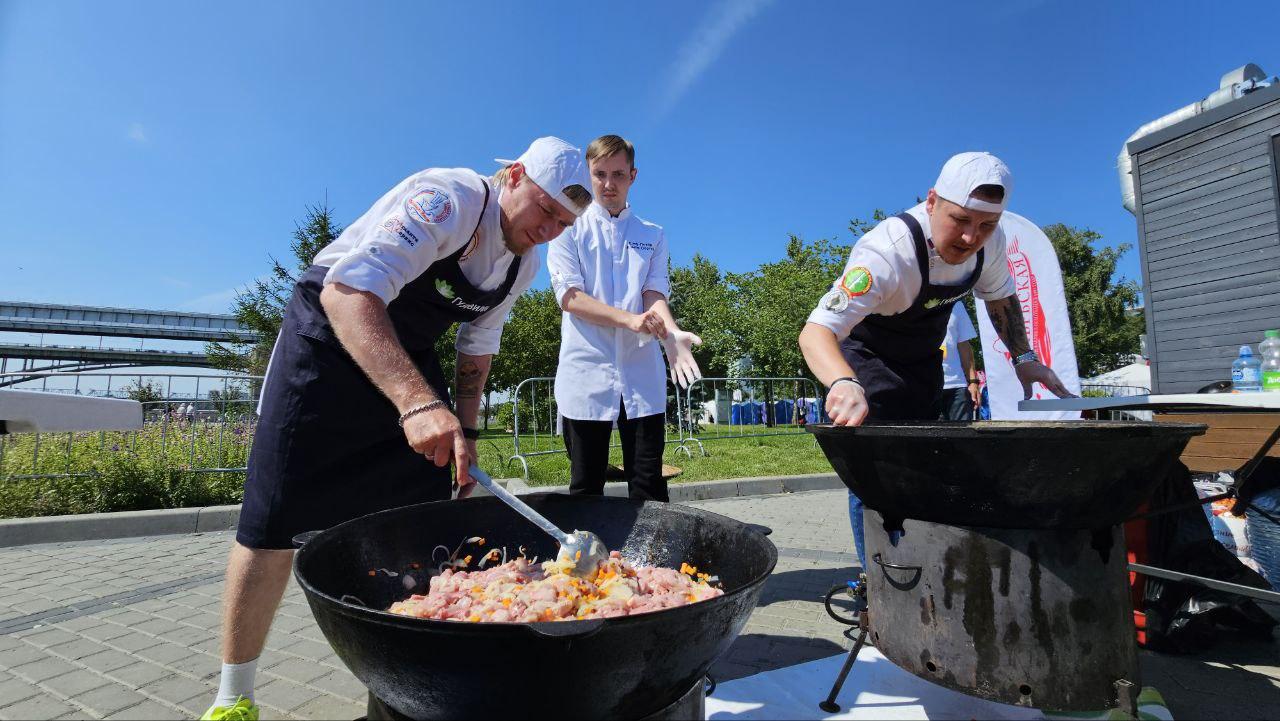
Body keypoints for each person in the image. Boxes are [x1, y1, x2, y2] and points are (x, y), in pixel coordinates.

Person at [201, 137, 592, 721]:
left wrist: (465, 431)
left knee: (423, 517)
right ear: (513, 175)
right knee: (272, 523)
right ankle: (234, 698)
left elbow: (476, 349)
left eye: (563, 221)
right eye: (545, 209)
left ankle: (408, 687)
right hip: (327, 345)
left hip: (407, 355)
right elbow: (348, 292)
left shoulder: (522, 264)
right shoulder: (447, 199)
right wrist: (416, 405)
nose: (549, 228)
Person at [797, 151, 1072, 568]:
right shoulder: (888, 251)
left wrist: (1024, 357)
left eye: (985, 225)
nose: (970, 238)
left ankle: (921, 567)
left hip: (921, 366)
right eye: (960, 220)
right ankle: (876, 583)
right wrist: (842, 382)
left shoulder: (990, 245)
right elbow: (815, 331)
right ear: (931, 201)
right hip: (863, 365)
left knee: (921, 474)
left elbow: (1000, 299)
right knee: (872, 484)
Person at [547, 134, 702, 503]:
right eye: (599, 174)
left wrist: (671, 332)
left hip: (641, 372)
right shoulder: (567, 228)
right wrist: (631, 321)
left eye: (618, 174)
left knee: (648, 483)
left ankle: (652, 561)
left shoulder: (652, 234)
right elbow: (570, 297)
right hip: (586, 370)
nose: (608, 184)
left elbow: (653, 294)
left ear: (633, 175)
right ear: (587, 175)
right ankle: (587, 562)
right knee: (586, 487)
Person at [938, 303, 980, 421]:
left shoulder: (957, 304)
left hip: (957, 386)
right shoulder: (911, 298)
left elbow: (964, 345)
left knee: (963, 436)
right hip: (924, 386)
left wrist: (973, 382)